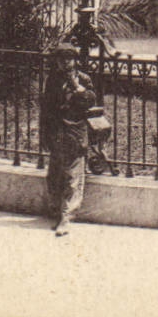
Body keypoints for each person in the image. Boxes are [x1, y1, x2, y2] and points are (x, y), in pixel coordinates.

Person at [39, 44, 106, 237]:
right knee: (54, 175)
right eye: (61, 59)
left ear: (75, 60)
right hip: (56, 132)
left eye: (68, 59)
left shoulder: (83, 79)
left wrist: (77, 88)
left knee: (73, 178)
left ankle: (66, 217)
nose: (64, 63)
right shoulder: (52, 80)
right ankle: (55, 211)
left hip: (75, 133)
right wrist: (45, 132)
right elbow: (47, 107)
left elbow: (90, 101)